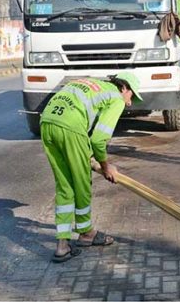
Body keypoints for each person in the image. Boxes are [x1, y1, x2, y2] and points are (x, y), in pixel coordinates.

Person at [40, 72, 143, 263]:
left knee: (65, 186)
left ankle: (62, 246)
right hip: (70, 127)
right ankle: (87, 233)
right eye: (132, 97)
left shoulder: (91, 83)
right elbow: (98, 139)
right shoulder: (115, 97)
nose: (130, 103)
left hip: (47, 122)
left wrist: (90, 157)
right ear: (125, 88)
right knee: (81, 184)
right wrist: (106, 166)